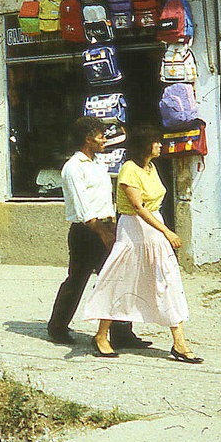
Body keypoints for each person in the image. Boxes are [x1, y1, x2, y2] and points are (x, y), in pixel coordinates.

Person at [75, 124, 202, 363]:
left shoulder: (151, 168)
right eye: (156, 141)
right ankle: (101, 335)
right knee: (120, 282)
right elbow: (137, 207)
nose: (160, 145)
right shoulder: (129, 169)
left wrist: (162, 231)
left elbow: (152, 206)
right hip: (134, 231)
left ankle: (180, 341)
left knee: (167, 281)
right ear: (146, 145)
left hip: (154, 231)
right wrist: (167, 231)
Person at [48, 117, 149, 348]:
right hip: (87, 231)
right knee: (78, 280)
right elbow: (83, 208)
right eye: (100, 136)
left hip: (106, 226)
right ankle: (57, 327)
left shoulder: (97, 164)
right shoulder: (74, 167)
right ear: (87, 139)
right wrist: (103, 234)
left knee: (118, 280)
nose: (104, 140)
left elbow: (104, 200)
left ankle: (122, 333)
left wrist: (113, 224)